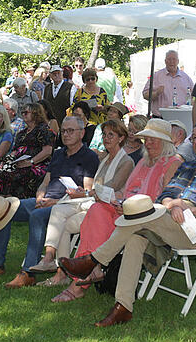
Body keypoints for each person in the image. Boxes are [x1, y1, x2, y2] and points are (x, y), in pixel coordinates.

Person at [60, 120, 196, 326]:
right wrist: (174, 204)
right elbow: (168, 193)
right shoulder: (188, 167)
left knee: (141, 210)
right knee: (135, 239)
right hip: (169, 218)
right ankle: (123, 307)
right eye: (194, 137)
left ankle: (93, 260)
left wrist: (191, 209)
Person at [43, 119, 179, 301]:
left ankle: (79, 283)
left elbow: (166, 199)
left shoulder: (172, 162)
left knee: (97, 216)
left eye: (155, 139)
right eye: (147, 139)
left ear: (166, 143)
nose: (150, 143)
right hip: (124, 209)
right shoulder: (143, 162)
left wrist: (131, 207)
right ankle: (95, 269)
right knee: (97, 210)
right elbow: (126, 190)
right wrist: (115, 199)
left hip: (147, 216)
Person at [0, 115, 99, 286]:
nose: (66, 134)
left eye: (71, 131)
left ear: (82, 133)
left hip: (64, 205)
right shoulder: (59, 153)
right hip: (44, 200)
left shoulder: (89, 157)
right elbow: (45, 181)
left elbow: (86, 192)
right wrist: (40, 196)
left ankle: (28, 272)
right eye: (64, 131)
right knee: (4, 208)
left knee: (37, 216)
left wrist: (53, 202)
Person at [30, 119, 135, 292]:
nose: (106, 138)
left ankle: (51, 260)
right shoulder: (105, 158)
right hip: (92, 202)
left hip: (105, 209)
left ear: (121, 138)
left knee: (58, 212)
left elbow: (110, 189)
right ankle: (61, 272)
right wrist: (85, 191)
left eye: (111, 135)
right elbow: (96, 188)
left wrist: (85, 193)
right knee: (61, 220)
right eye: (104, 134)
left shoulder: (126, 162)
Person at [0, 102, 55, 199]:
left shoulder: (44, 130)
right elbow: (15, 151)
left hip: (38, 164)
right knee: (0, 172)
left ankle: (14, 201)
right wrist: (6, 162)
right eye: (22, 112)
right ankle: (3, 203)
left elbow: (47, 151)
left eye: (26, 112)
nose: (23, 114)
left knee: (17, 175)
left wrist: (30, 162)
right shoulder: (22, 133)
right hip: (19, 163)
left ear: (35, 113)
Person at [142, 50, 194, 119]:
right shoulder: (157, 76)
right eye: (169, 59)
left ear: (178, 61)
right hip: (160, 118)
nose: (171, 62)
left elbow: (194, 96)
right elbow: (145, 95)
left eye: (174, 59)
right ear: (165, 61)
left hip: (181, 118)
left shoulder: (186, 77)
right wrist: (156, 93)